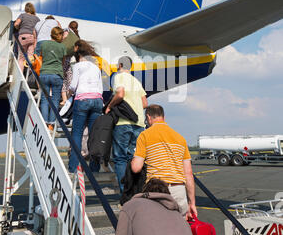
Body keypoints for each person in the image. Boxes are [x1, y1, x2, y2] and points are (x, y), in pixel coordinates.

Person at [131, 104, 197, 220]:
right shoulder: (180, 138)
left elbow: (136, 168)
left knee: (158, 229)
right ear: (164, 117)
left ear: (148, 117)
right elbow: (188, 174)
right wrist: (192, 203)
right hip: (179, 190)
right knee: (179, 230)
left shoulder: (144, 135)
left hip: (157, 190)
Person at [105, 56, 148, 193]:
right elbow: (145, 103)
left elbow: (120, 94)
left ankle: (126, 192)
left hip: (123, 122)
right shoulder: (136, 81)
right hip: (139, 123)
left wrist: (109, 106)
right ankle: (136, 190)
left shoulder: (119, 77)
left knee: (120, 158)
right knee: (133, 158)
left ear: (121, 65)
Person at [68, 39, 103, 173]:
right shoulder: (95, 66)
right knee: (93, 134)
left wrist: (69, 94)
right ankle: (95, 166)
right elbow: (100, 87)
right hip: (97, 100)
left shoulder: (77, 66)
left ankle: (73, 166)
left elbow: (73, 85)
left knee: (77, 133)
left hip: (83, 99)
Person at [39, 26, 67, 130]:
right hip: (57, 74)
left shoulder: (44, 44)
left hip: (44, 73)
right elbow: (63, 62)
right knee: (55, 100)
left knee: (44, 99)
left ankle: (45, 122)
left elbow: (42, 56)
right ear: (59, 35)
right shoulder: (62, 47)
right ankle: (51, 123)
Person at [14, 2, 40, 71]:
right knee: (30, 57)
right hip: (32, 38)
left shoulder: (22, 15)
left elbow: (16, 24)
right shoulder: (36, 18)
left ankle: (20, 75)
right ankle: (30, 74)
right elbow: (37, 29)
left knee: (21, 58)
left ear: (26, 9)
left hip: (23, 37)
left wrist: (18, 28)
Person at [60, 21, 80, 106]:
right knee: (69, 78)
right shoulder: (77, 37)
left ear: (69, 26)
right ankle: (69, 98)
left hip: (63, 58)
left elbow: (63, 39)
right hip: (71, 59)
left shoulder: (66, 31)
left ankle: (64, 99)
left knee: (63, 78)